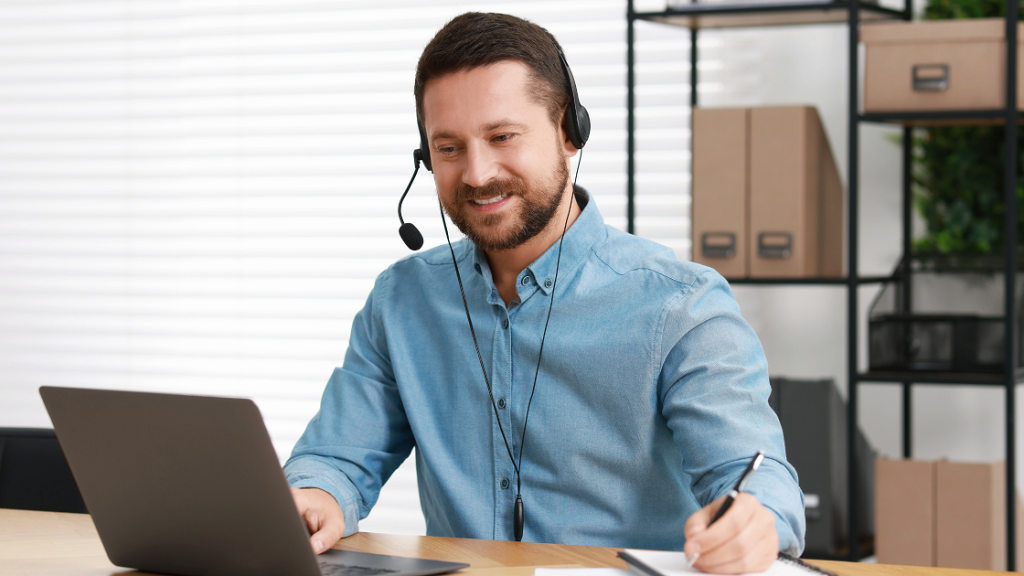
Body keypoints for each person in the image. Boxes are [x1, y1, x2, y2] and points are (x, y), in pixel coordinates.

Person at [284, 12, 805, 574]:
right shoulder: (401, 301)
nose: (478, 173)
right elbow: (335, 459)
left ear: (568, 132)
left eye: (502, 136)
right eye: (449, 147)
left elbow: (754, 478)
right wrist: (316, 497)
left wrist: (755, 521)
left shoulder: (682, 306)